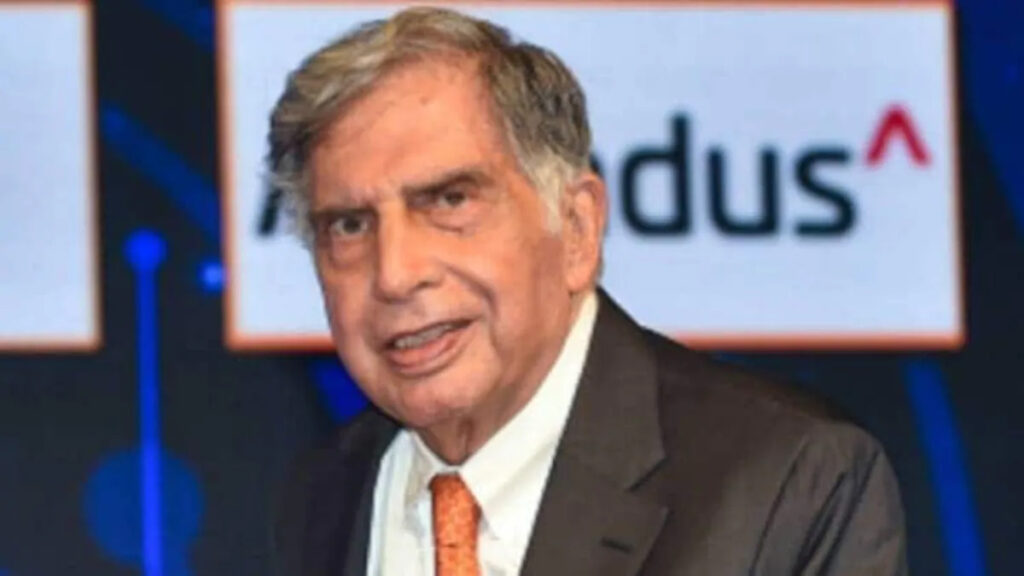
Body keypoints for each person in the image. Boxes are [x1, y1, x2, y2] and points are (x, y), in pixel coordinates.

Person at [267, 7, 906, 576]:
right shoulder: (318, 497)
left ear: (576, 229)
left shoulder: (792, 481)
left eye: (450, 201)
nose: (395, 273)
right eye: (348, 226)